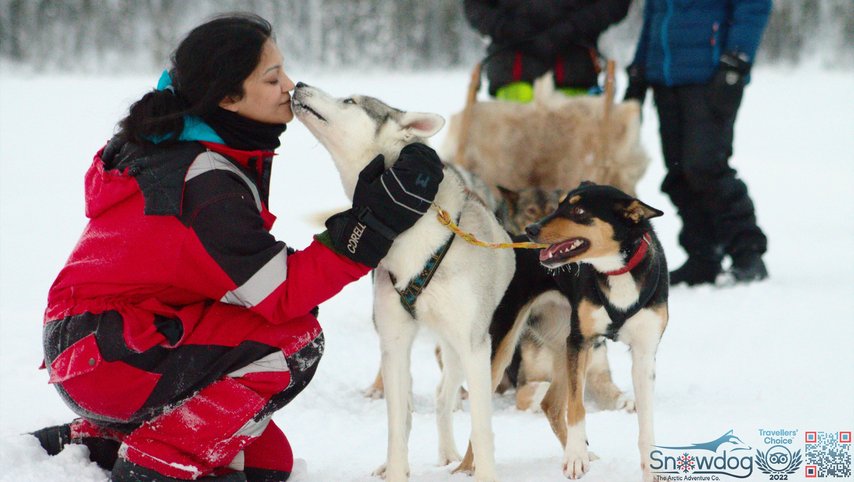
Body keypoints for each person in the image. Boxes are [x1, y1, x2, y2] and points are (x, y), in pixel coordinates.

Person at [30, 13, 444, 482]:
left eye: (283, 69)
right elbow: (280, 291)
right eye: (272, 78)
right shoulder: (205, 181)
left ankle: (102, 439)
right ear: (227, 97)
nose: (289, 85)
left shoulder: (191, 136)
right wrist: (370, 227)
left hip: (100, 341)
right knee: (294, 339)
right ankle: (153, 464)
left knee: (268, 464)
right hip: (108, 352)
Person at [624, 0, 771, 286]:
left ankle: (748, 253)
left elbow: (753, 6)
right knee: (678, 172)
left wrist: (737, 61)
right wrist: (641, 66)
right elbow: (655, 14)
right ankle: (703, 256)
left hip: (711, 76)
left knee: (705, 167)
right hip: (664, 78)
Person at [463, 0, 632, 101]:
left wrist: (574, 27)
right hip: (513, 72)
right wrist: (508, 28)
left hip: (574, 72)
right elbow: (475, 7)